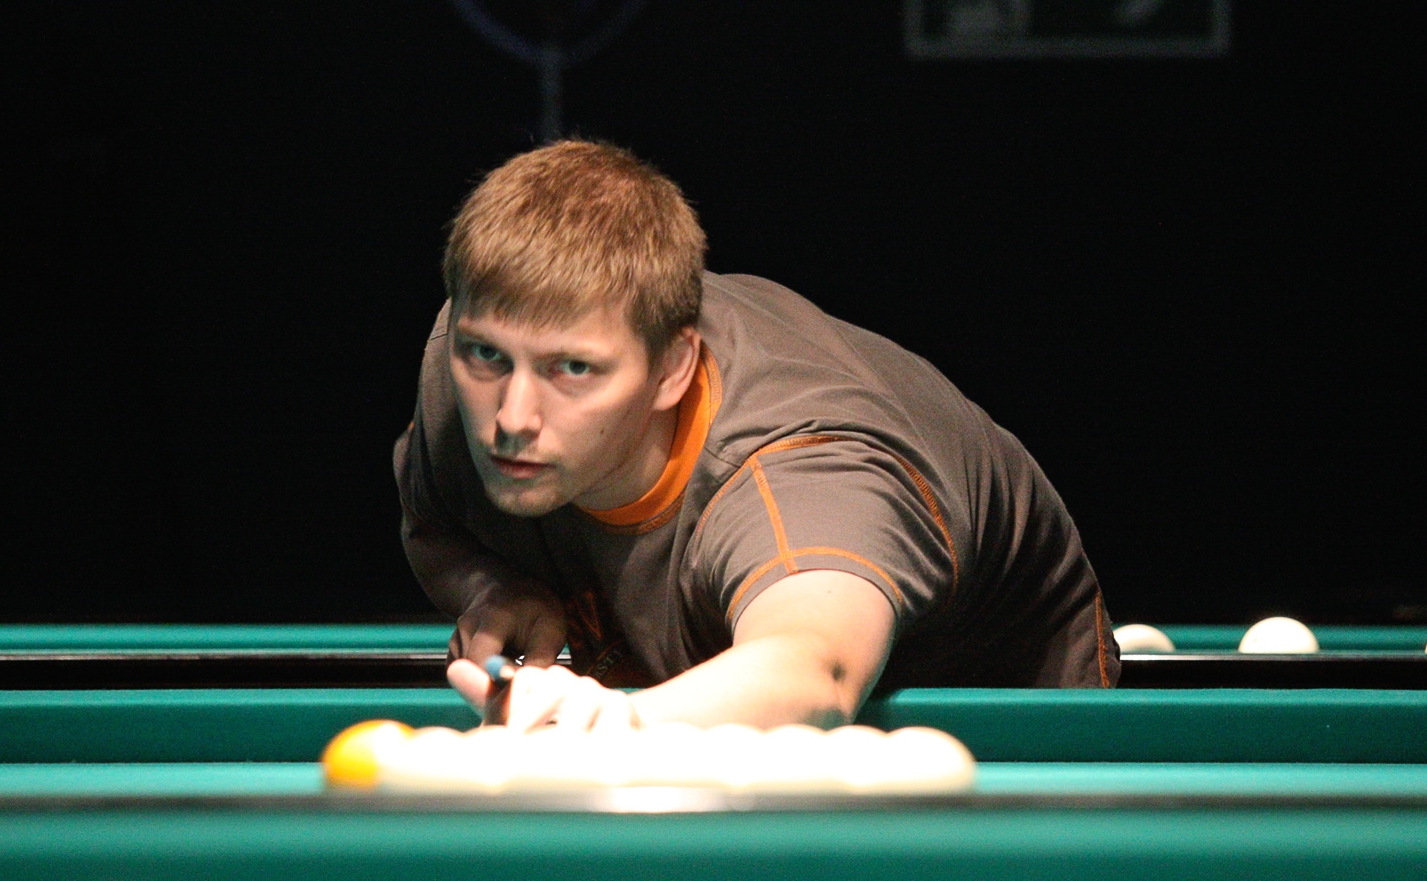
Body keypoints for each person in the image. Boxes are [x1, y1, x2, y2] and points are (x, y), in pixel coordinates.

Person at [395, 140, 1118, 732]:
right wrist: (496, 587)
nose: (512, 417)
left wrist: (617, 724)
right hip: (710, 708)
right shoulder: (471, 361)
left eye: (574, 368)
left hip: (1005, 735)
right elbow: (436, 525)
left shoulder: (801, 469)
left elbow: (815, 667)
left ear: (672, 368)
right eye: (487, 354)